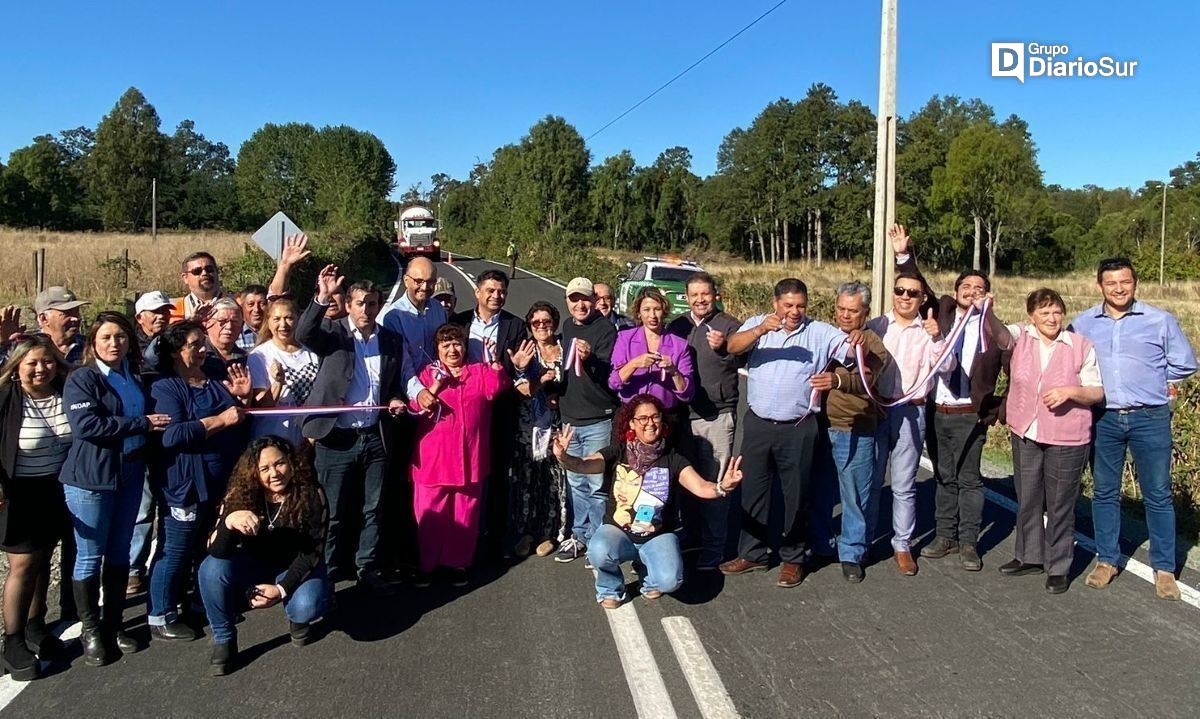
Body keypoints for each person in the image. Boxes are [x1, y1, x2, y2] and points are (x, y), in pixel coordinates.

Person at [1070, 257, 1197, 600]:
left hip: (1150, 417)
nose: (1119, 288)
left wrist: (1160, 383)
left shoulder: (1159, 320)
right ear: (1099, 286)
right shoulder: (1082, 324)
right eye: (1111, 283)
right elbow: (1064, 359)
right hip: (1104, 418)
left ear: (1135, 283)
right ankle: (1107, 559)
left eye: (1124, 281)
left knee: (1157, 494)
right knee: (1105, 491)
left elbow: (1185, 363)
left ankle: (1165, 569)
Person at [719, 278, 852, 588]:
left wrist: (856, 339)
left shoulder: (819, 332)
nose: (794, 312)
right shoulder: (757, 324)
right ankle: (752, 553)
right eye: (788, 305)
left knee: (796, 495)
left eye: (800, 306)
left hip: (798, 426)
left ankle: (793, 557)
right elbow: (732, 346)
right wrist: (760, 330)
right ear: (775, 303)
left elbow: (853, 353)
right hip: (759, 424)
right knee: (753, 491)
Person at [553, 394, 744, 608]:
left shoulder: (673, 459)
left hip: (657, 535)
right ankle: (610, 588)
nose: (650, 423)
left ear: (662, 421)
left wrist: (722, 487)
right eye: (642, 418)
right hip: (619, 532)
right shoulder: (618, 452)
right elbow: (584, 465)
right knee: (598, 550)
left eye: (655, 417)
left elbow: (701, 487)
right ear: (632, 423)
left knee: (670, 580)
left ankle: (648, 576)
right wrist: (564, 457)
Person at [61, 312, 172, 666]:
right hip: (91, 477)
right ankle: (91, 629)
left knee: (121, 550)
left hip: (129, 471)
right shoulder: (83, 379)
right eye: (107, 337)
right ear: (93, 342)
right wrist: (140, 424)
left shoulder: (132, 375)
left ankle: (114, 623)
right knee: (90, 553)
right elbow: (87, 425)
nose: (114, 343)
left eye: (121, 337)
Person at [896, 239, 1012, 572]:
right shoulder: (943, 310)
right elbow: (916, 283)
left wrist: (1000, 409)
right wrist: (904, 254)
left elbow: (1017, 367)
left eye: (979, 288)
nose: (971, 292)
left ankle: (969, 542)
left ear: (989, 295)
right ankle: (944, 535)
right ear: (956, 290)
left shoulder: (993, 328)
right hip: (936, 411)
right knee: (944, 477)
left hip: (969, 414)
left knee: (970, 479)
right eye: (966, 286)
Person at [297, 265, 407, 592]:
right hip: (336, 438)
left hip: (375, 437)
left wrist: (397, 400)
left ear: (379, 306)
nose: (366, 310)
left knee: (372, 509)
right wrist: (321, 297)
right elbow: (303, 333)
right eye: (360, 303)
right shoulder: (333, 333)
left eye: (372, 304)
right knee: (332, 512)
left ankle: (366, 566)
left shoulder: (391, 340)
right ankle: (327, 573)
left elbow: (392, 386)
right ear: (347, 304)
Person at [148, 321, 251, 642]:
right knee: (176, 549)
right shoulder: (166, 387)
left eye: (203, 343)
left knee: (206, 545)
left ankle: (198, 600)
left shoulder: (211, 379)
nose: (204, 349)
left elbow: (238, 420)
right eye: (195, 344)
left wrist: (243, 401)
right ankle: (160, 613)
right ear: (178, 351)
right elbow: (172, 434)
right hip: (186, 484)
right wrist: (219, 420)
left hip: (217, 481)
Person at [1000, 289, 1104, 594]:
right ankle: (1029, 555)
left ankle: (1058, 565)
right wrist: (985, 307)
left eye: (1057, 312)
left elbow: (1096, 392)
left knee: (1060, 503)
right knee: (1028, 496)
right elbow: (997, 333)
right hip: (1026, 431)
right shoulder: (1022, 338)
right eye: (1044, 312)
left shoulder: (1079, 345)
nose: (1052, 318)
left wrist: (1070, 392)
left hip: (1067, 437)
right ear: (1031, 316)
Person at [199, 435, 330, 676]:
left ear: (291, 462)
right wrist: (229, 522)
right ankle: (223, 637)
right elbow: (215, 549)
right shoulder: (239, 494)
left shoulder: (312, 493)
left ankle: (298, 619)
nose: (275, 473)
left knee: (307, 605)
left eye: (280, 463)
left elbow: (313, 552)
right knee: (211, 569)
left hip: (295, 565)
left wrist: (281, 589)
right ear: (254, 473)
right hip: (253, 563)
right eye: (265, 468)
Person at [866, 228, 945, 576]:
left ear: (922, 297)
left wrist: (939, 338)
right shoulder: (877, 325)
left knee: (904, 483)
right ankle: (863, 540)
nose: (904, 296)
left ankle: (902, 544)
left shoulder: (929, 330)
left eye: (912, 293)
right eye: (899, 290)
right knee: (869, 479)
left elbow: (948, 366)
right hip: (877, 409)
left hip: (911, 413)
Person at [408, 324, 511, 586]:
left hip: (469, 457)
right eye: (446, 345)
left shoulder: (477, 371)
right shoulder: (427, 374)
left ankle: (458, 564)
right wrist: (434, 386)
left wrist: (496, 363)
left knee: (465, 515)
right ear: (437, 350)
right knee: (430, 516)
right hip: (435, 460)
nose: (453, 350)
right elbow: (414, 407)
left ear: (465, 347)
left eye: (457, 344)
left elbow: (497, 388)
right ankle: (426, 565)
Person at [0, 336, 73, 680]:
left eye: (47, 361)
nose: (41, 369)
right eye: (32, 363)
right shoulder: (6, 399)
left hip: (56, 488)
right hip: (19, 493)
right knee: (23, 564)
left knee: (45, 558)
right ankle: (12, 641)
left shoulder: (64, 392)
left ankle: (36, 625)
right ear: (17, 367)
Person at [808, 282, 889, 582]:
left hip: (854, 429)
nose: (845, 315)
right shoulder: (824, 336)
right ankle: (821, 543)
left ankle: (852, 552)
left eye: (852, 311)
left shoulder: (871, 342)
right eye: (841, 309)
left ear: (865, 312)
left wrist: (839, 380)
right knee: (821, 491)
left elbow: (872, 376)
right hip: (819, 426)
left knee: (855, 495)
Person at [450, 269, 533, 560]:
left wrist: (518, 368)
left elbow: (519, 369)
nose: (496, 296)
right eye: (490, 290)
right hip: (461, 415)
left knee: (498, 477)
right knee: (464, 478)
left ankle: (497, 541)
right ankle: (463, 538)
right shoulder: (458, 322)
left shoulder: (515, 326)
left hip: (498, 412)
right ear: (477, 292)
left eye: (501, 292)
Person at [666, 271, 742, 571]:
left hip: (716, 415)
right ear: (686, 297)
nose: (700, 300)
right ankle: (692, 536)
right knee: (687, 482)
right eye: (694, 295)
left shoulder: (730, 326)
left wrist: (725, 347)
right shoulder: (678, 326)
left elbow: (745, 358)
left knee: (716, 484)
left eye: (705, 294)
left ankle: (715, 547)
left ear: (716, 295)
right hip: (682, 416)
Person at [555, 277, 619, 563]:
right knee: (576, 483)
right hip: (570, 418)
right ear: (567, 301)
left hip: (598, 418)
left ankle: (598, 538)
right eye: (574, 299)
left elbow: (611, 373)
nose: (580, 305)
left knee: (596, 483)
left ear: (594, 300)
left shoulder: (605, 329)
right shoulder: (567, 327)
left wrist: (591, 357)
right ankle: (579, 535)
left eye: (585, 299)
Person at [509, 301, 569, 558]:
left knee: (554, 482)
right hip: (528, 427)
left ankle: (549, 532)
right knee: (526, 481)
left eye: (547, 321)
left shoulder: (566, 350)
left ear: (554, 323)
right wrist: (536, 379)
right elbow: (520, 389)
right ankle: (526, 533)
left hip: (557, 426)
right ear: (529, 325)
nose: (542, 326)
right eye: (536, 322)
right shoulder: (526, 351)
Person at [128, 290, 174, 596]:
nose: (161, 317)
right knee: (143, 507)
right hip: (141, 434)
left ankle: (168, 564)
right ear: (140, 317)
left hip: (168, 435)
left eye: (165, 312)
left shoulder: (170, 342)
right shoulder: (132, 348)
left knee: (169, 504)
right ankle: (133, 568)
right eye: (155, 312)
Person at [609, 287, 694, 426]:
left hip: (664, 417)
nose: (652, 315)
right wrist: (634, 364)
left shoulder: (680, 345)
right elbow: (614, 382)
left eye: (657, 309)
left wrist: (673, 371)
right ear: (638, 313)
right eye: (646, 310)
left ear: (664, 311)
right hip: (631, 415)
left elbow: (687, 394)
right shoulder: (625, 338)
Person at [247, 298, 320, 446]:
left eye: (289, 318)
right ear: (269, 321)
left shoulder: (312, 355)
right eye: (277, 319)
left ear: (298, 319)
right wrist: (278, 382)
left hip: (305, 440)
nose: (283, 325)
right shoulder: (259, 356)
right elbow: (262, 406)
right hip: (273, 438)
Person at [171, 252, 234, 321]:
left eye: (209, 269)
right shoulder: (176, 309)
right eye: (197, 271)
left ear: (217, 272)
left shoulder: (237, 303)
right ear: (185, 278)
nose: (204, 273)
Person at [205, 298, 249, 368]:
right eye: (222, 321)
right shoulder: (198, 355)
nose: (229, 326)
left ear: (242, 326)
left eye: (235, 321)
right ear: (208, 323)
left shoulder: (247, 360)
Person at [236, 284, 269, 351]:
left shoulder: (275, 332)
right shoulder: (235, 334)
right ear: (242, 307)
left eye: (262, 303)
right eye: (251, 304)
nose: (256, 309)